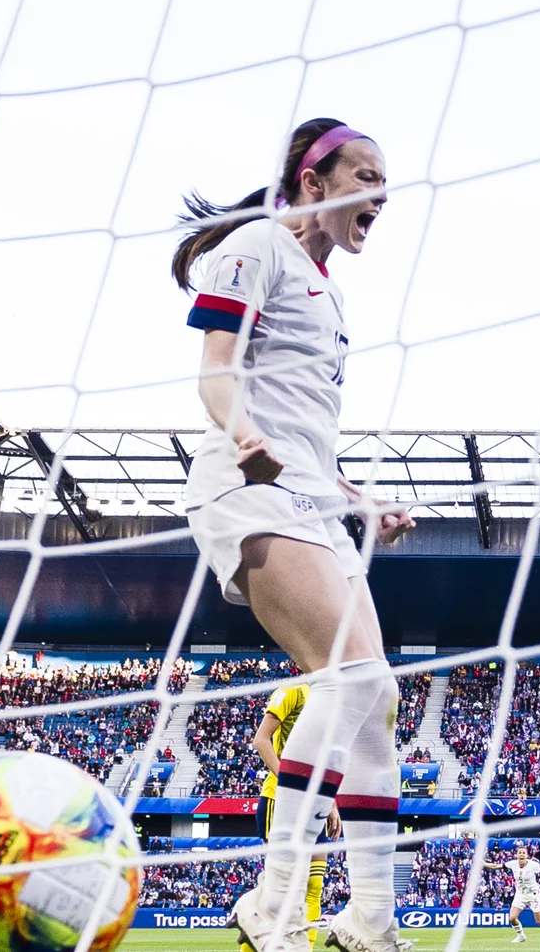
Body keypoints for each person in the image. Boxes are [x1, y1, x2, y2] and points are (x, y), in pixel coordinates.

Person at [173, 117, 417, 952]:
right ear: (313, 182)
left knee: (378, 699)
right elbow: (215, 371)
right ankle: (272, 904)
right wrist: (245, 433)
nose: (381, 194)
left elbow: (309, 438)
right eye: (365, 176)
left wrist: (362, 500)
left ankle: (369, 919)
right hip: (247, 488)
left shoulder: (330, 292)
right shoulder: (257, 245)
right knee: (349, 677)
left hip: (312, 499)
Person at [253, 681, 347, 945]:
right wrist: (290, 782)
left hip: (316, 804)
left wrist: (332, 802)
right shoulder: (292, 691)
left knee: (314, 886)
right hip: (281, 800)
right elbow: (261, 740)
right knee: (279, 890)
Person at [481, 843, 540, 941]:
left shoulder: (533, 865)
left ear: (527, 855)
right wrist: (483, 863)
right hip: (520, 894)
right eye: (520, 853)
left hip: (533, 895)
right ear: (516, 855)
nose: (521, 855)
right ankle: (521, 936)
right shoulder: (512, 864)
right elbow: (495, 866)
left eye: (523, 853)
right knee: (512, 918)